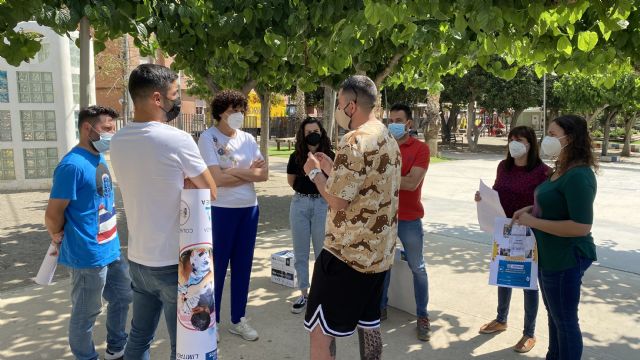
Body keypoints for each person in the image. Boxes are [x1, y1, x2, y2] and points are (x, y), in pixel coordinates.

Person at [110, 64, 217, 360]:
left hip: (138, 260)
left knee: (139, 338)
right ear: (158, 99)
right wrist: (188, 182)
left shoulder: (118, 140)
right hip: (175, 262)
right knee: (183, 345)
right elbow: (210, 191)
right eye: (174, 94)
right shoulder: (177, 139)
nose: (177, 101)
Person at [302, 75, 401, 360]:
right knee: (369, 326)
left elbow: (337, 201)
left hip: (345, 254)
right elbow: (367, 188)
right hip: (378, 256)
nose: (338, 111)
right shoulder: (388, 138)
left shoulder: (354, 140)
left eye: (341, 104)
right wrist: (333, 169)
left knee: (320, 331)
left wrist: (314, 174)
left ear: (351, 106)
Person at [45, 106, 131, 360]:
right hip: (88, 254)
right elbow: (53, 214)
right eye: (106, 129)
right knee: (86, 312)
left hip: (111, 247)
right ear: (87, 128)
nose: (110, 135)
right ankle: (86, 356)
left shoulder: (98, 157)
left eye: (113, 130)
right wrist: (57, 234)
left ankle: (117, 346)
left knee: (123, 296)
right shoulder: (71, 166)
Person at [512, 115, 598, 360]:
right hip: (549, 256)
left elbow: (581, 226)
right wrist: (531, 208)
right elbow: (555, 203)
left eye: (552, 133)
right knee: (555, 317)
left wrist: (534, 222)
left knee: (566, 321)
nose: (546, 138)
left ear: (569, 138)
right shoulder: (563, 169)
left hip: (565, 258)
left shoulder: (579, 175)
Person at [197, 89, 268, 341]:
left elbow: (264, 174)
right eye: (231, 111)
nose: (237, 115)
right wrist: (247, 172)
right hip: (220, 211)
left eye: (240, 111)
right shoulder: (208, 138)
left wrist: (234, 172)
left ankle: (238, 319)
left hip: (248, 209)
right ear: (219, 113)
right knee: (215, 268)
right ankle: (211, 322)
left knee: (243, 266)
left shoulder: (248, 139)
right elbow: (214, 180)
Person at [475, 126, 550, 353]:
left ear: (530, 144)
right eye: (511, 139)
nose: (514, 143)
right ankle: (501, 319)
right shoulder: (503, 167)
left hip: (529, 234)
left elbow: (546, 204)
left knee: (528, 282)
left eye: (519, 139)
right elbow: (497, 192)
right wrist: (483, 198)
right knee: (504, 275)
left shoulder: (542, 172)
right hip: (505, 231)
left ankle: (529, 333)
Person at [379, 103, 432, 341]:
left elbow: (412, 183)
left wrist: (385, 177)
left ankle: (422, 315)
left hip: (410, 219)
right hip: (385, 216)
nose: (393, 124)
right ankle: (380, 308)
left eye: (398, 119)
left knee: (417, 268)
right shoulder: (383, 147)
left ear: (409, 123)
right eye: (390, 119)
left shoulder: (421, 149)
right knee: (383, 265)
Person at [286, 117, 335, 314]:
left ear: (321, 131)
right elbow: (292, 182)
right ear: (303, 135)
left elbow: (335, 183)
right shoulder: (296, 156)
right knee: (300, 252)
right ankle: (304, 294)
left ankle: (321, 294)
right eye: (308, 132)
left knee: (323, 252)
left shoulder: (330, 156)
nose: (312, 134)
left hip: (322, 205)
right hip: (300, 204)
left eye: (315, 130)